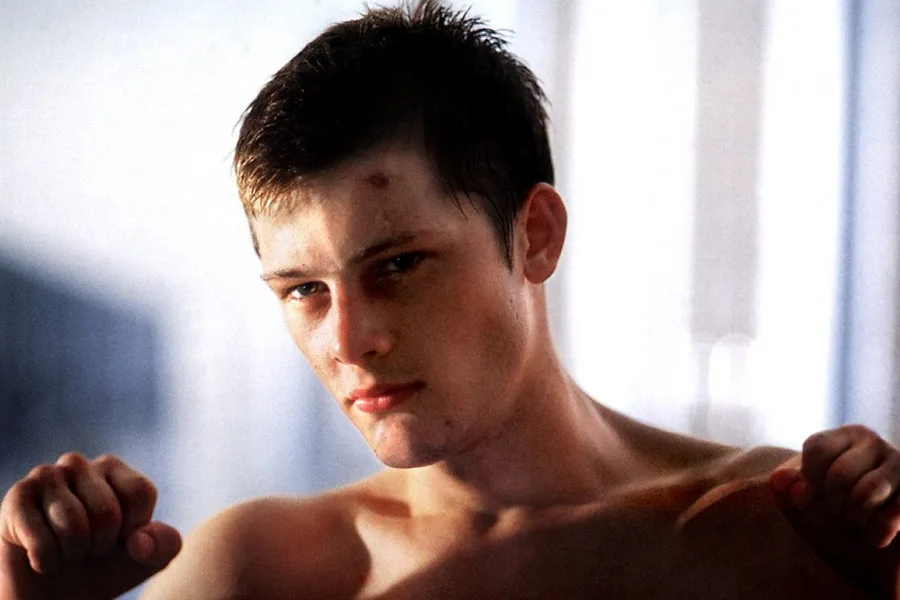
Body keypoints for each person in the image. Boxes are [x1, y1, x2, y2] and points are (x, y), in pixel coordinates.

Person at [2, 2, 900, 598]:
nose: (350, 339)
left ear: (534, 235)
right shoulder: (262, 572)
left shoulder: (777, 531)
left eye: (398, 264)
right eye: (306, 289)